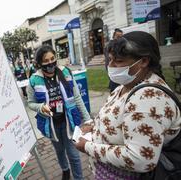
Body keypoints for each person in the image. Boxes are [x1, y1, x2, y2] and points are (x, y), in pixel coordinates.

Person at [75, 31, 181, 179]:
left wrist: (86, 146)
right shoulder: (128, 83)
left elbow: (140, 159)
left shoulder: (148, 99)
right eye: (110, 59)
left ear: (144, 61)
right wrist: (94, 125)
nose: (110, 66)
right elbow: (117, 116)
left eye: (118, 61)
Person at [27, 45, 90, 180]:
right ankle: (65, 170)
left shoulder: (65, 72)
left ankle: (79, 178)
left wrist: (88, 119)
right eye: (46, 60)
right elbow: (30, 103)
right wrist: (40, 107)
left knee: (73, 154)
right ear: (39, 63)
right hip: (51, 125)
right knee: (60, 151)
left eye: (52, 58)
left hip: (69, 121)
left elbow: (77, 97)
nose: (50, 63)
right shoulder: (34, 80)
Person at [105, 28, 123, 93]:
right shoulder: (110, 45)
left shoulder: (121, 45)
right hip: (115, 74)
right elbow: (108, 61)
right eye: (118, 37)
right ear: (113, 36)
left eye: (121, 37)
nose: (119, 39)